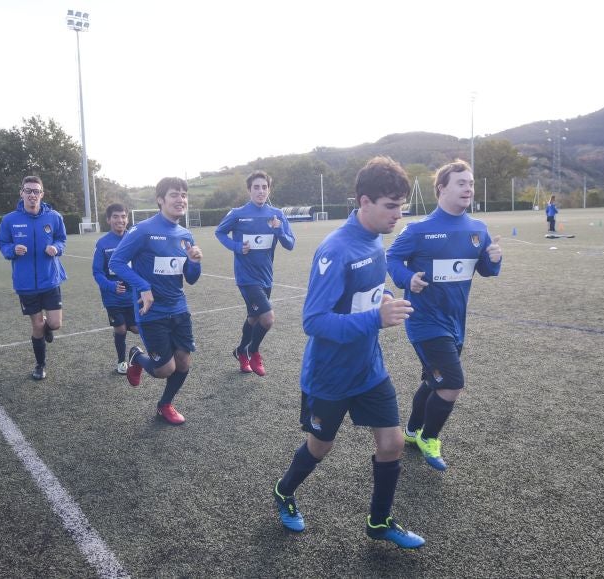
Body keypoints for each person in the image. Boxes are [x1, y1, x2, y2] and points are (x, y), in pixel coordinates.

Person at [271, 156, 425, 549]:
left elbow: (363, 296)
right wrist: (376, 317)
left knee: (390, 443)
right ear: (364, 201)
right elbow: (315, 321)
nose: (398, 215)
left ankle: (379, 522)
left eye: (401, 206)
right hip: (330, 375)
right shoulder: (335, 249)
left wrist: (384, 298)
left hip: (370, 368)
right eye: (391, 206)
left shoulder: (376, 239)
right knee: (321, 446)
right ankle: (284, 490)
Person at [386, 159, 502, 472]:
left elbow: (487, 270)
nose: (468, 188)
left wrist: (494, 259)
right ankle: (429, 437)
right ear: (442, 189)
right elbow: (392, 258)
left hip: (456, 323)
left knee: (431, 380)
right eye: (461, 183)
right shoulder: (420, 230)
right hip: (424, 322)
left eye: (471, 183)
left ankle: (411, 431)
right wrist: (406, 279)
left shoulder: (478, 229)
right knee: (451, 384)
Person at [108, 177, 202, 425]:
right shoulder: (143, 230)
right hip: (152, 311)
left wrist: (194, 261)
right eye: (174, 194)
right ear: (160, 200)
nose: (180, 199)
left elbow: (191, 279)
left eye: (184, 194)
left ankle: (165, 405)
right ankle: (137, 357)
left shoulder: (185, 234)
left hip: (179, 309)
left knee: (184, 362)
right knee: (164, 369)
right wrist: (144, 287)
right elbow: (115, 262)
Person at [215, 170, 295, 376]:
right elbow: (219, 232)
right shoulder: (238, 214)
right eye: (256, 187)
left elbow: (290, 244)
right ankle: (253, 351)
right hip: (246, 277)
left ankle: (241, 351)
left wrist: (279, 230)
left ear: (269, 190)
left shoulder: (277, 215)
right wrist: (235, 246)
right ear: (249, 190)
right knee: (267, 318)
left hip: (266, 277)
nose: (261, 191)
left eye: (264, 187)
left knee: (253, 318)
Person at [0, 176, 67, 381]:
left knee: (55, 324)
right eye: (28, 191)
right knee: (37, 326)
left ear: (42, 194)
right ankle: (40, 365)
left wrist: (56, 248)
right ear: (21, 193)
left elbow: (62, 239)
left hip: (50, 279)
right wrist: (12, 249)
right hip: (25, 283)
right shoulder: (9, 220)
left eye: (36, 191)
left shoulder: (54, 217)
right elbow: (2, 244)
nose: (32, 195)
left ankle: (47, 327)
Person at [92, 203, 139, 375]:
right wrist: (111, 286)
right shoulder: (103, 243)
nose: (120, 220)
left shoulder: (134, 239)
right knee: (120, 329)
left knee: (136, 328)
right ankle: (121, 361)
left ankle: (139, 354)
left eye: (123, 216)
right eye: (116, 216)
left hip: (133, 296)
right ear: (108, 220)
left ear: (127, 218)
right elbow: (97, 272)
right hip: (113, 298)